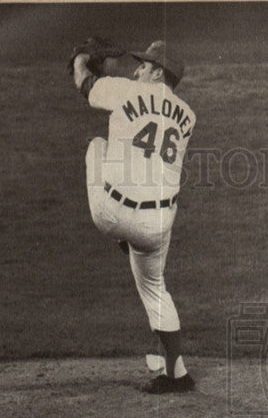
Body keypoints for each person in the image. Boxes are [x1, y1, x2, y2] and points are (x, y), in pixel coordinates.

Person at [71, 40, 197, 393]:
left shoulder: (125, 91)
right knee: (156, 290)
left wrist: (82, 59)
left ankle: (121, 238)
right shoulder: (188, 116)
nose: (137, 69)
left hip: (110, 212)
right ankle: (178, 374)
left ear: (158, 72)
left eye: (144, 65)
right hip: (156, 225)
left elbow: (85, 85)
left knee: (98, 146)